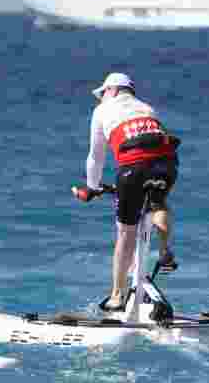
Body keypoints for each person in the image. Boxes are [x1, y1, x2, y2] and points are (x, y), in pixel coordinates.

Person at [76, 72, 180, 311]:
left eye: (102, 93)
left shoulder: (102, 111)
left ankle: (117, 295)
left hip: (134, 168)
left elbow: (96, 157)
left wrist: (92, 188)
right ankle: (165, 250)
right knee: (158, 203)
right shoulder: (146, 108)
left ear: (112, 90)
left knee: (126, 232)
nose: (101, 98)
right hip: (167, 164)